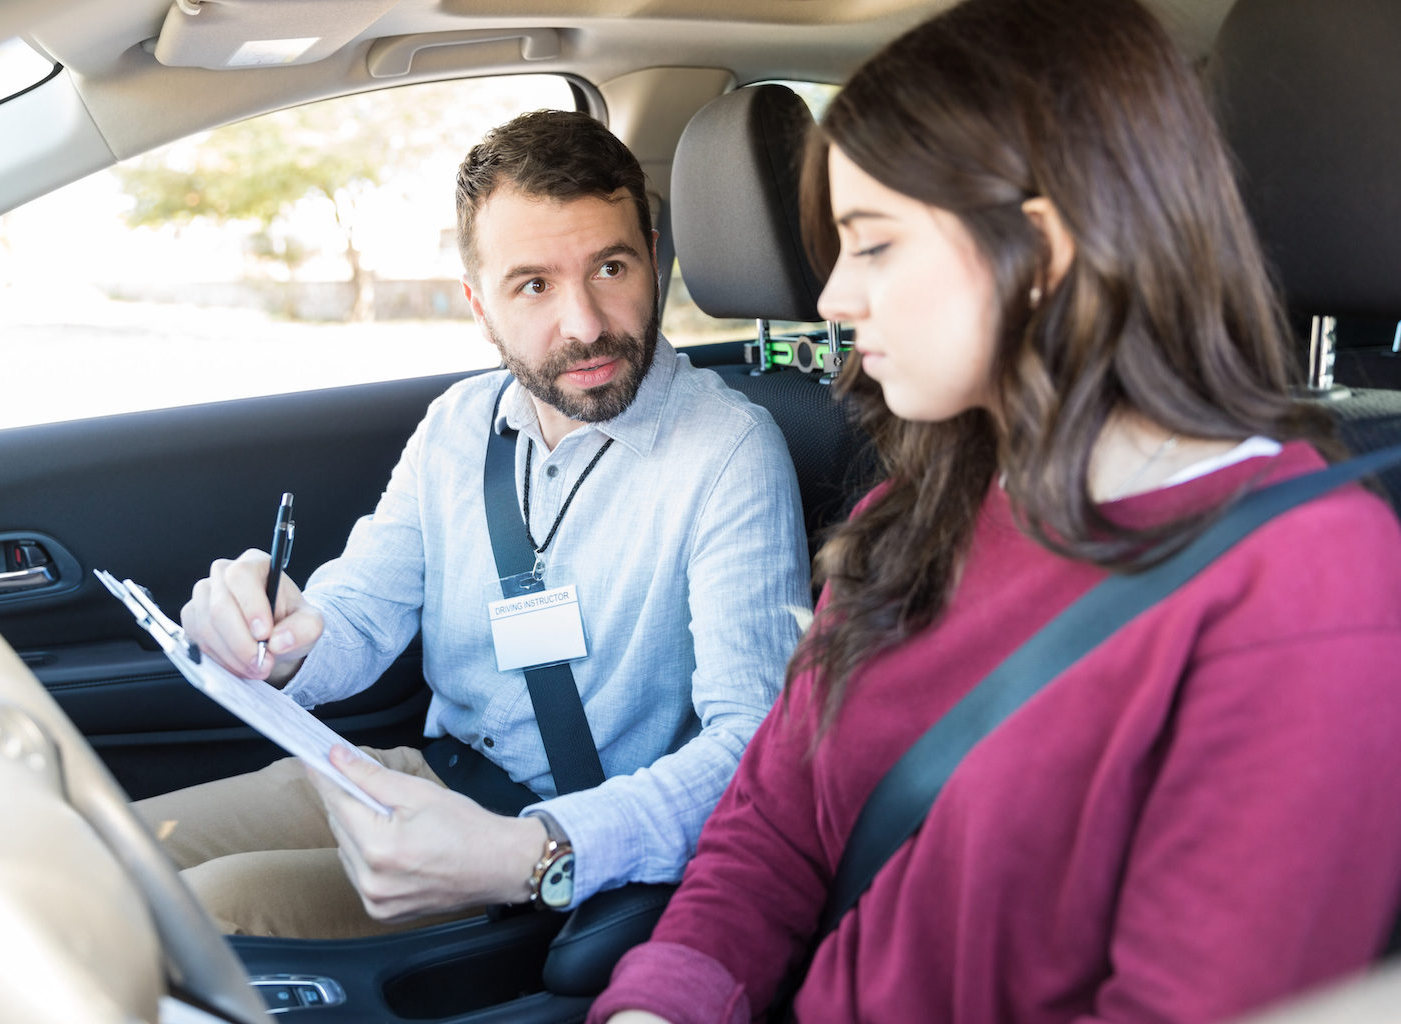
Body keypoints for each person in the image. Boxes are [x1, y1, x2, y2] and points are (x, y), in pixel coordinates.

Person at [589, 0, 1401, 1021]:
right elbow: (773, 831)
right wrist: (659, 1002)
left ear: (1045, 250)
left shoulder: (1306, 584)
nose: (832, 294)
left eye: (873, 244)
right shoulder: (916, 509)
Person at [135, 109, 810, 939]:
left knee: (205, 914)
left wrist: (537, 846)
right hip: (419, 776)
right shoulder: (459, 424)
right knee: (106, 848)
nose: (587, 324)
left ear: (655, 258)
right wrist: (277, 637)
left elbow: (755, 746)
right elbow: (359, 609)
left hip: (558, 844)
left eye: (611, 266)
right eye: (534, 284)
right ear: (478, 305)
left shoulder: (731, 451)